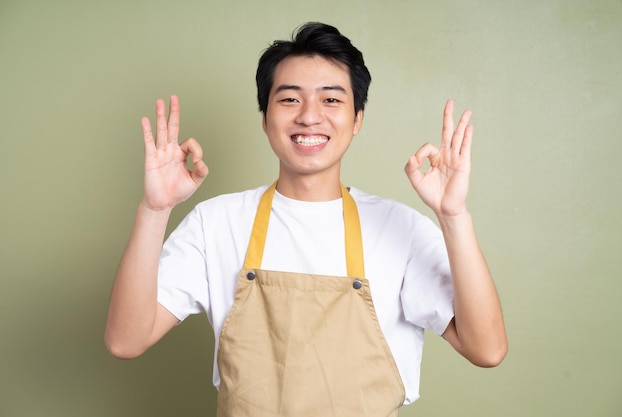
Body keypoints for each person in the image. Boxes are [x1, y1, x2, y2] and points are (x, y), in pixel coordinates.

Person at [105, 22, 507, 417]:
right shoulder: (217, 222)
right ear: (265, 119)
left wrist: (453, 216)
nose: (309, 117)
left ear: (358, 118)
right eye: (289, 99)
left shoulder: (402, 228)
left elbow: (487, 349)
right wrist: (154, 210)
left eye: (331, 100)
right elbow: (126, 340)